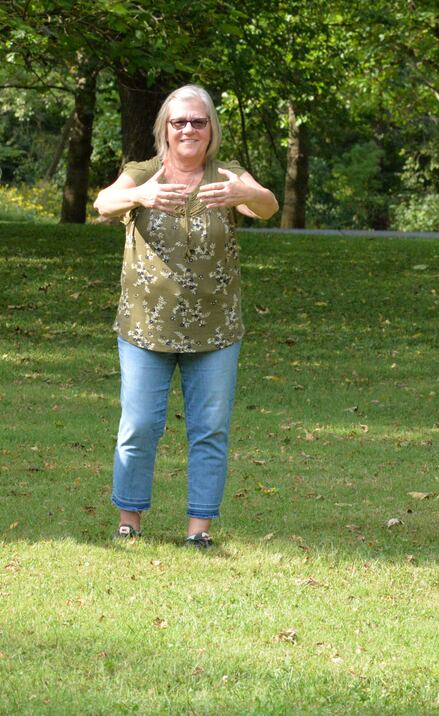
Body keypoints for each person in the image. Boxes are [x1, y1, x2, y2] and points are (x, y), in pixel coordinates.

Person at [92, 84, 277, 549]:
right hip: (145, 328)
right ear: (165, 129)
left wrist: (245, 191)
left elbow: (268, 206)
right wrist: (141, 198)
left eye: (198, 121)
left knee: (210, 430)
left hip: (215, 331)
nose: (189, 129)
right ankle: (129, 520)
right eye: (179, 122)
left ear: (211, 128)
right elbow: (102, 204)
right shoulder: (144, 172)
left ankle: (200, 530)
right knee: (139, 426)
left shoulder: (227, 176)